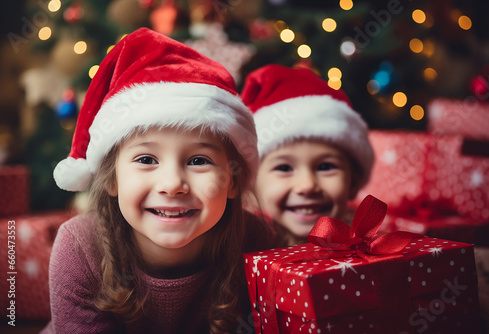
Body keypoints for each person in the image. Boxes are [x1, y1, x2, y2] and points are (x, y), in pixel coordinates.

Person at [42, 28, 273, 334]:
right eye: (146, 160)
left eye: (198, 161)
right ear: (112, 180)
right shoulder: (80, 247)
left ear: (232, 180)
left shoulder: (254, 241)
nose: (172, 184)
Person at [241, 64, 374, 246]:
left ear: (353, 182)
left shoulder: (369, 243)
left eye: (326, 167)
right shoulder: (240, 247)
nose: (307, 186)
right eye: (284, 168)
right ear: (251, 186)